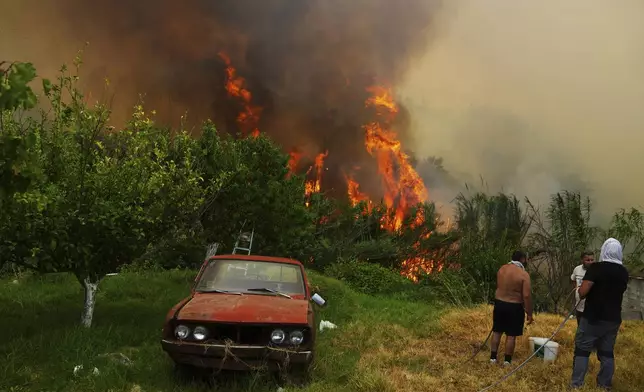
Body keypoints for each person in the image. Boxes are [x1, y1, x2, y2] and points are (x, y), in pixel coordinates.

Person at [571, 238, 629, 390]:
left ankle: (577, 385)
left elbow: (583, 292)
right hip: (613, 320)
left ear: (604, 250)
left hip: (593, 317)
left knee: (582, 350)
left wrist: (579, 290)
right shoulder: (623, 272)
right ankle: (604, 385)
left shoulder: (596, 268)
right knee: (607, 352)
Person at [490, 250, 533, 366]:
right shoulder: (523, 274)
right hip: (514, 306)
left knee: (497, 332)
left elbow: (499, 286)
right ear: (523, 259)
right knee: (511, 335)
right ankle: (507, 361)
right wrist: (529, 313)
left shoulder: (502, 269)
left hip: (499, 304)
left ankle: (493, 358)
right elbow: (527, 295)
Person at [571, 251, 596, 325]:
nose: (590, 262)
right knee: (580, 327)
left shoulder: (596, 271)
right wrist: (577, 290)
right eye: (588, 260)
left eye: (592, 260)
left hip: (591, 306)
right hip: (579, 305)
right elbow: (573, 279)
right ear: (582, 260)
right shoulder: (577, 269)